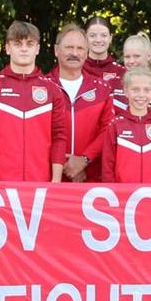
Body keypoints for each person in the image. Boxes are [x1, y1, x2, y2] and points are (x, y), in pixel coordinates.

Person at [0, 20, 68, 183]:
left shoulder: (53, 89)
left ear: (37, 49)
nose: (24, 49)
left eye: (29, 44)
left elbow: (59, 136)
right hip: (1, 182)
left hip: (42, 182)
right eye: (18, 44)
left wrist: (56, 180)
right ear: (8, 48)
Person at [50, 23, 113, 183]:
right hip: (51, 177)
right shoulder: (43, 87)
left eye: (80, 48)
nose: (74, 53)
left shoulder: (102, 89)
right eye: (69, 47)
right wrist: (62, 164)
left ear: (86, 53)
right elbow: (38, 132)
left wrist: (84, 160)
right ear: (56, 50)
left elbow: (108, 129)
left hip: (92, 177)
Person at [101, 68, 151, 183]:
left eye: (146, 90)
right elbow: (107, 166)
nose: (141, 95)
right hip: (123, 195)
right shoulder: (115, 124)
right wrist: (112, 192)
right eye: (135, 90)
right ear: (126, 91)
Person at [114, 33, 151, 112]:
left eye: (136, 56)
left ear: (149, 56)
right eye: (127, 57)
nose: (131, 61)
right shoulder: (113, 84)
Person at [82, 16, 125, 84]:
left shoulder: (122, 72)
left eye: (104, 35)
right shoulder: (77, 69)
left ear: (110, 38)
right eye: (92, 35)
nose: (98, 40)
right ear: (85, 37)